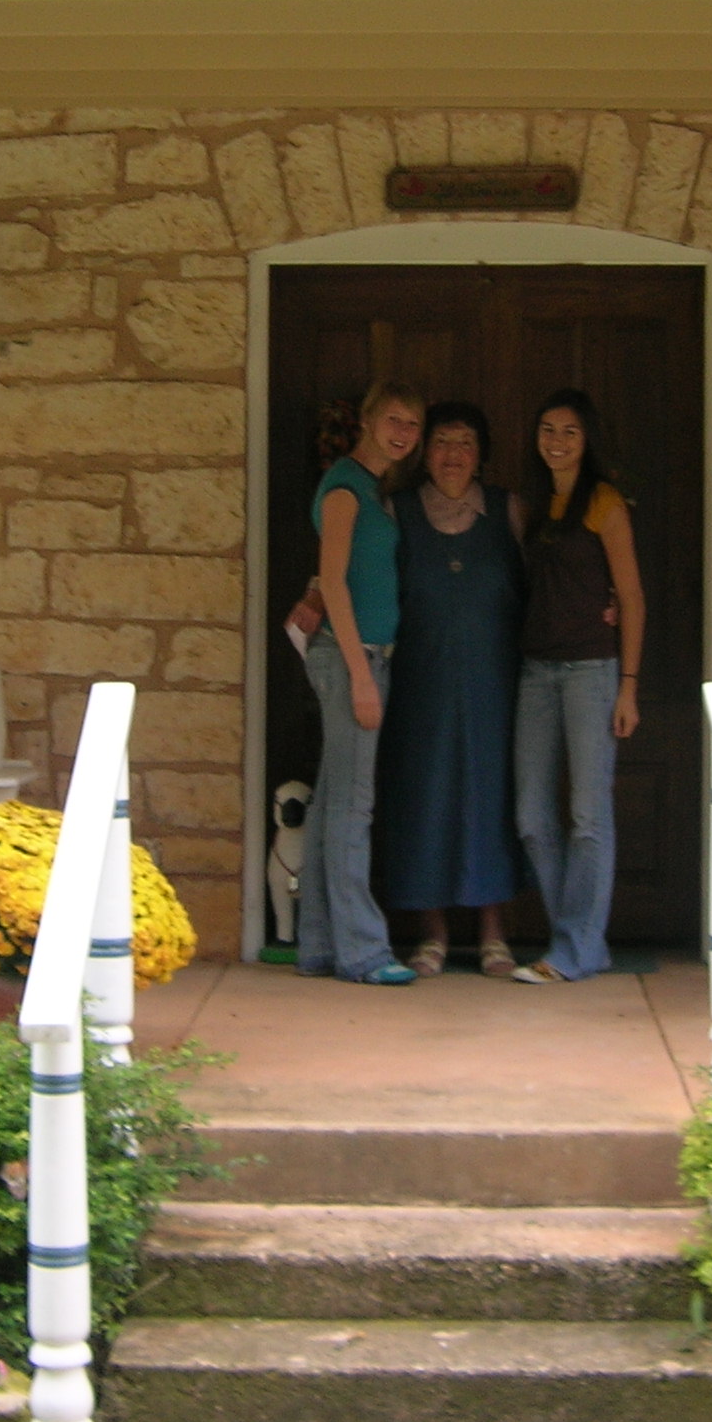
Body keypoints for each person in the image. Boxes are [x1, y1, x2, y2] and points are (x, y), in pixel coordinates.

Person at [378, 401, 522, 979]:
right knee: (424, 798)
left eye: (465, 442)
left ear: (481, 452)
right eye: (441, 441)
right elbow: (368, 579)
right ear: (423, 450)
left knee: (494, 798)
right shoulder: (398, 511)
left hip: (496, 683)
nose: (453, 454)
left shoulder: (509, 510)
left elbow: (549, 581)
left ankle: (494, 932)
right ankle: (431, 933)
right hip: (420, 681)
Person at [510, 388, 644, 985]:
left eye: (567, 431)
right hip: (536, 671)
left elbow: (632, 596)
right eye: (546, 429)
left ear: (586, 439)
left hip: (592, 672)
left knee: (588, 816)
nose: (556, 441)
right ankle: (581, 943)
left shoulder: (605, 502)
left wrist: (629, 685)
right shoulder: (531, 505)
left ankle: (572, 948)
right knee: (533, 816)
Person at [297, 381, 425, 986]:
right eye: (395, 420)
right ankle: (364, 953)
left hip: (367, 657)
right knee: (354, 807)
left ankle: (321, 946)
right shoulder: (346, 489)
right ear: (370, 421)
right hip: (353, 657)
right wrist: (359, 675)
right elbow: (334, 582)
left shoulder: (374, 488)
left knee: (333, 805)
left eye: (414, 425)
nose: (404, 433)